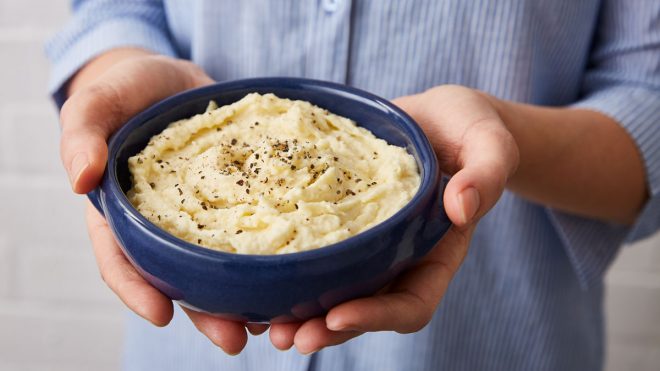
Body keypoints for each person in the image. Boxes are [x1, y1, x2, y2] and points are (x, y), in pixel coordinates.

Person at [46, 1, 660, 370]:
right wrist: (115, 78)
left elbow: (648, 105)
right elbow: (115, 9)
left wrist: (508, 135)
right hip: (188, 336)